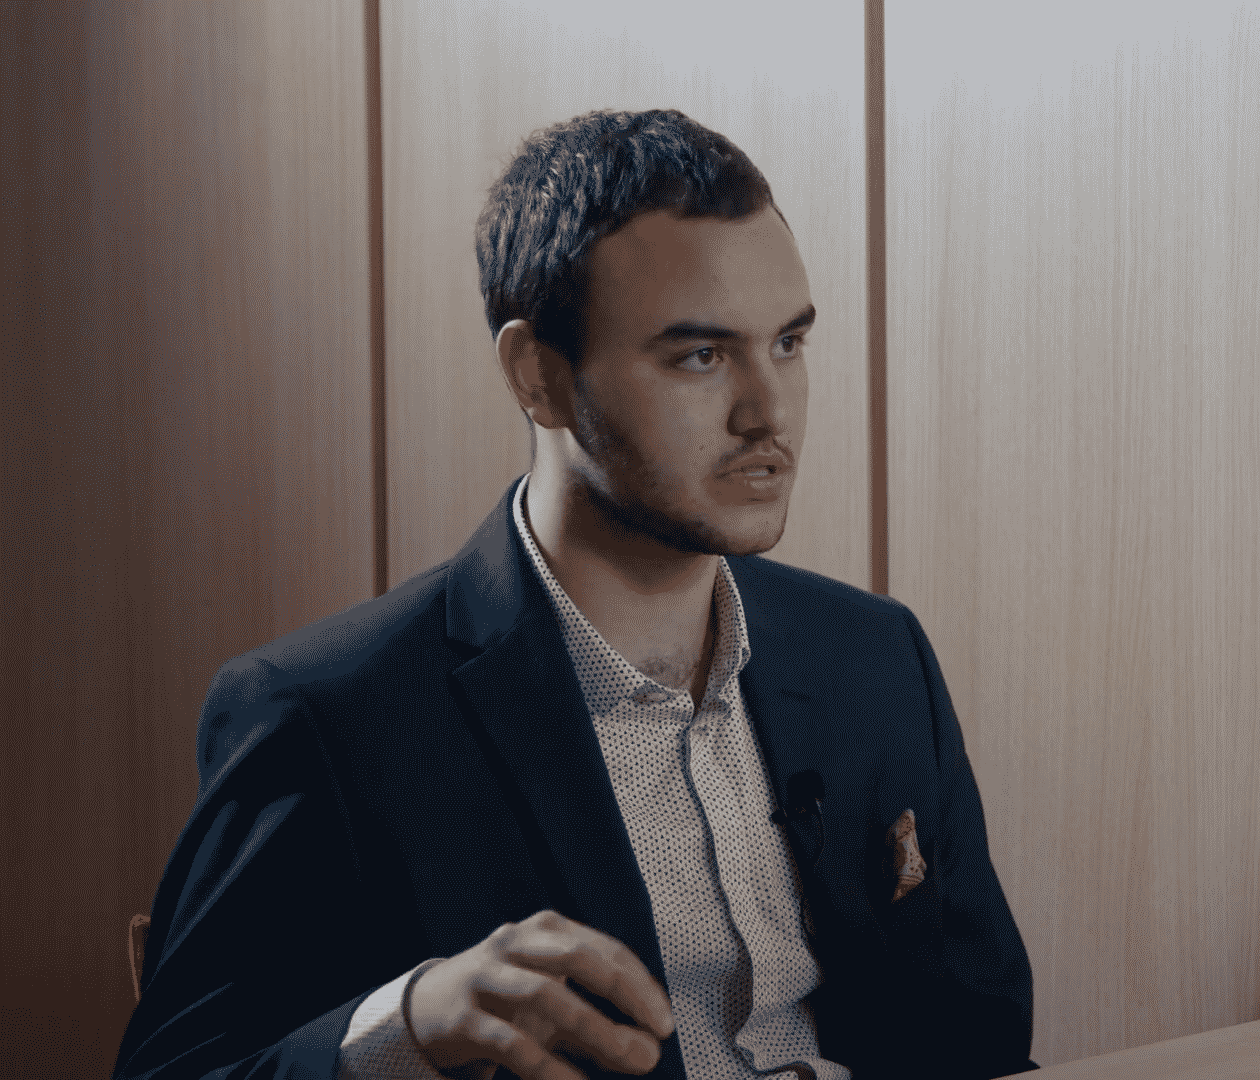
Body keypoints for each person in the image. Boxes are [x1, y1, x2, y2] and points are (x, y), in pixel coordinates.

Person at [113, 108, 1037, 1080]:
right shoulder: (328, 716)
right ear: (538, 377)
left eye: (789, 344)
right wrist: (409, 1026)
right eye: (700, 356)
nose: (769, 411)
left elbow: (985, 1043)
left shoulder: (876, 656)